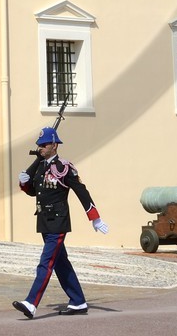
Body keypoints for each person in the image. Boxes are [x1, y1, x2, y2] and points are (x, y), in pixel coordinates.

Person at [12, 125, 108, 319]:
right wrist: (24, 183)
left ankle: (31, 303)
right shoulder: (40, 166)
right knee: (60, 263)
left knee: (46, 262)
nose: (40, 147)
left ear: (54, 145)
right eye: (39, 144)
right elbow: (35, 192)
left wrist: (94, 217)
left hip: (58, 222)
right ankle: (78, 301)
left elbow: (81, 191)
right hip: (44, 222)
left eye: (44, 144)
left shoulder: (64, 167)